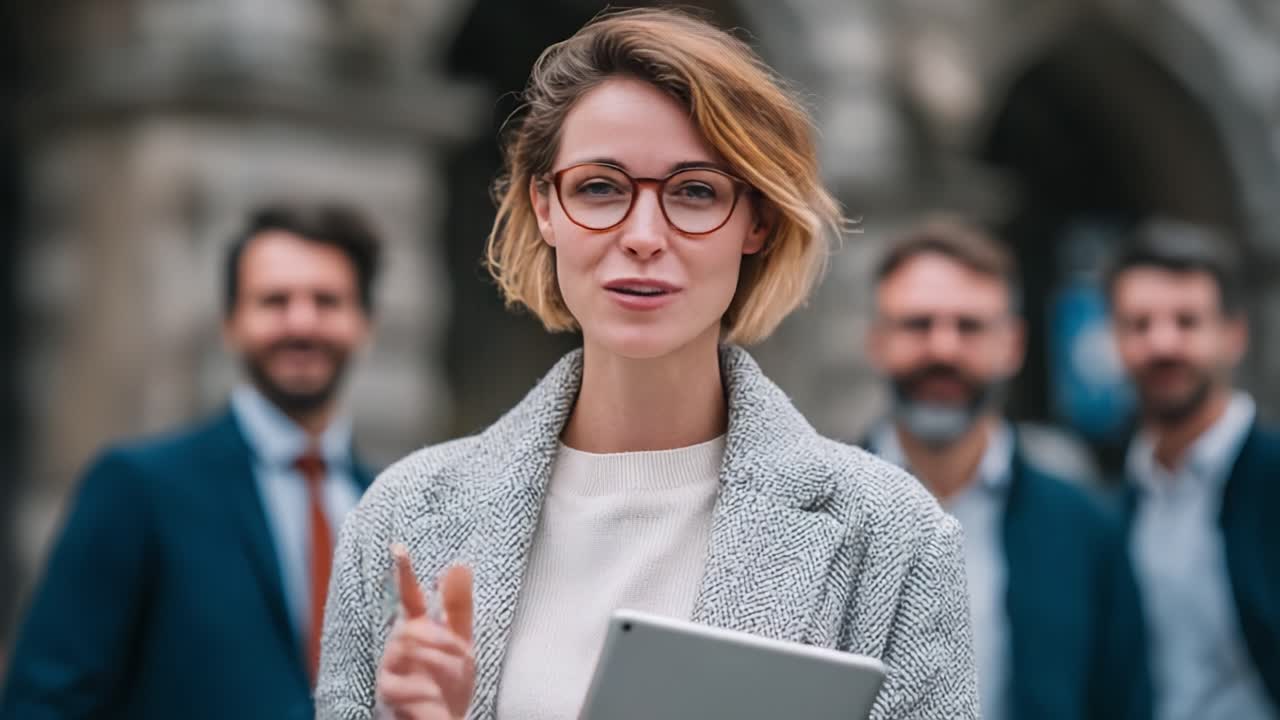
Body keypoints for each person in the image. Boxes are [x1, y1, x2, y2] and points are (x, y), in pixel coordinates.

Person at [316, 9, 978, 720]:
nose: (641, 235)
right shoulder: (404, 516)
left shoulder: (892, 536)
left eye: (695, 191)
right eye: (600, 187)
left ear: (756, 220)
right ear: (545, 206)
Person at [1, 203, 382, 720]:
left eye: (326, 301)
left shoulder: (389, 503)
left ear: (364, 324)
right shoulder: (139, 488)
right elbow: (44, 702)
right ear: (230, 324)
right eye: (274, 301)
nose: (301, 321)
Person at [862, 217, 1151, 720]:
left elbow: (1124, 700)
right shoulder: (811, 511)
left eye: (969, 326)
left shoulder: (1085, 527)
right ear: (877, 342)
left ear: (1012, 345)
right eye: (917, 324)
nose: (943, 348)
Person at [1108, 218, 1280, 720]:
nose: (1162, 344)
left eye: (1186, 321)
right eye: (1139, 324)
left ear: (1234, 334)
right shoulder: (1115, 504)